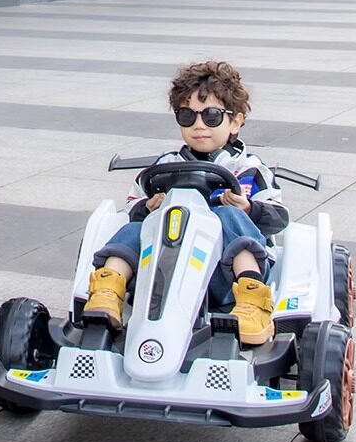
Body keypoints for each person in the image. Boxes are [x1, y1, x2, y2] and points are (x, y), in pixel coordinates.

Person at [84, 60, 288, 346]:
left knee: (228, 217)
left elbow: (279, 217)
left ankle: (252, 299)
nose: (199, 125)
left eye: (212, 116)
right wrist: (148, 207)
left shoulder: (249, 169)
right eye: (187, 116)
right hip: (162, 268)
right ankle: (108, 289)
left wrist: (248, 208)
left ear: (235, 122)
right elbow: (132, 206)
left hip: (223, 275)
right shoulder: (165, 166)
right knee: (136, 227)